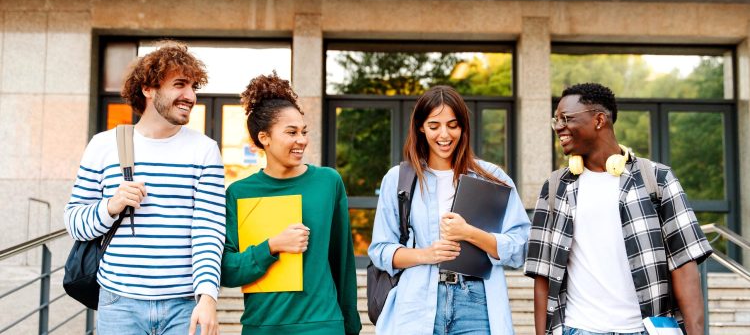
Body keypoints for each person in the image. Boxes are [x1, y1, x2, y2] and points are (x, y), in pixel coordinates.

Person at [525, 82, 713, 335]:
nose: (559, 127)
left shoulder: (656, 179)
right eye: (556, 120)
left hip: (645, 330)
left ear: (599, 120)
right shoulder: (556, 186)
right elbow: (543, 274)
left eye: (566, 118)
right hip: (577, 329)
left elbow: (684, 265)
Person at [64, 41, 225, 335]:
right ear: (148, 89)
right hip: (119, 304)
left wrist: (208, 297)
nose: (190, 96)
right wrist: (109, 207)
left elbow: (209, 230)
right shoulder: (103, 145)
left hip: (185, 307)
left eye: (193, 86)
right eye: (179, 85)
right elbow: (74, 223)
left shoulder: (205, 150)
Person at [368, 85, 530, 335]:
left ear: (463, 127)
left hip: (476, 303)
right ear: (421, 127)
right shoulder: (398, 179)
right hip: (416, 304)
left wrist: (469, 233)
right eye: (434, 126)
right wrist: (427, 254)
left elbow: (520, 247)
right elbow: (380, 250)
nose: (444, 134)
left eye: (452, 125)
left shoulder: (492, 178)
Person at [220, 72, 362, 335]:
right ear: (264, 137)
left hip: (322, 325)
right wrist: (271, 247)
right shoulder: (239, 192)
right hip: (262, 327)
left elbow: (342, 263)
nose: (302, 140)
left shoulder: (328, 182)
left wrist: (351, 328)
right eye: (291, 132)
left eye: (303, 132)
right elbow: (226, 270)